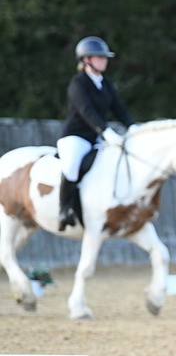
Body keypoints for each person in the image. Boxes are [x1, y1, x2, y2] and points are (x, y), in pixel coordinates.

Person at [56, 36, 134, 230]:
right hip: (75, 137)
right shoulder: (78, 84)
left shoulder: (105, 83)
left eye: (105, 57)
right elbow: (86, 111)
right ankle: (64, 209)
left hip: (95, 138)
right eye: (99, 57)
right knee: (72, 166)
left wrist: (133, 127)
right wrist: (105, 131)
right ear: (86, 60)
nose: (104, 60)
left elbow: (119, 109)